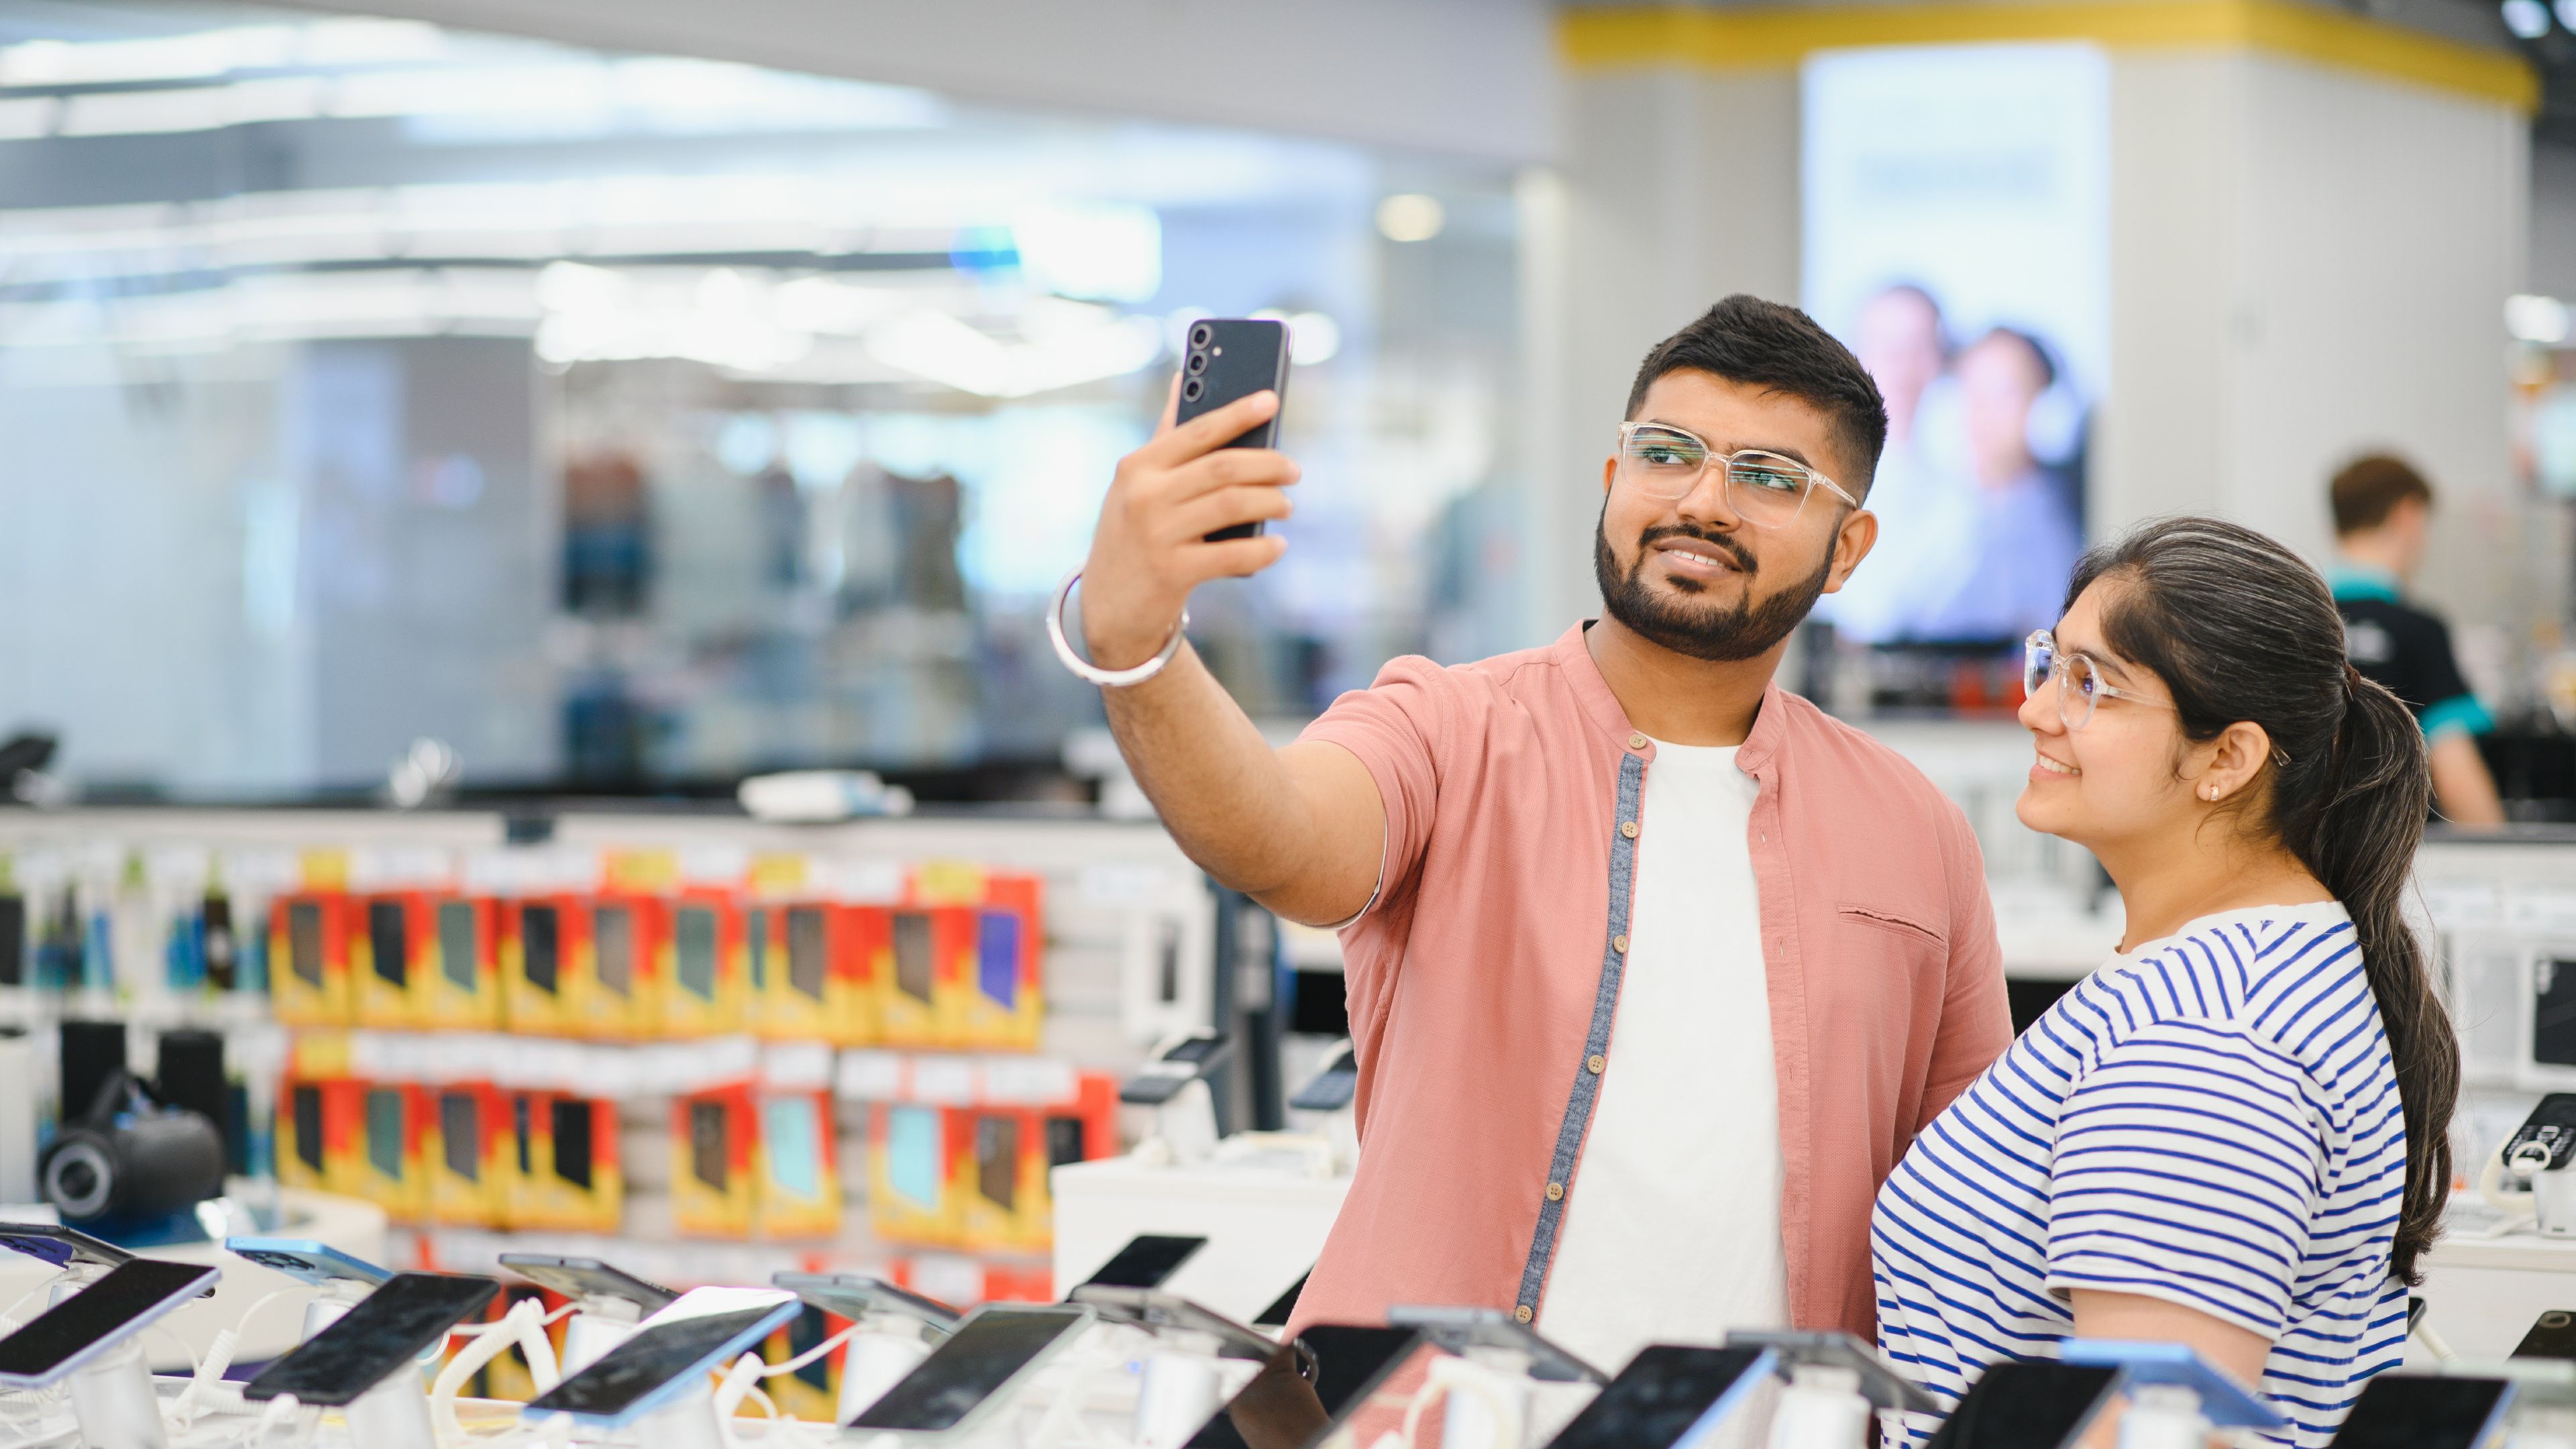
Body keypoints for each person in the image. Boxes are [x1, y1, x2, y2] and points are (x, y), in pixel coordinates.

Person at [1066, 294, 2010, 1368]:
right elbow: (1278, 841)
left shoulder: (1915, 832)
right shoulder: (1445, 725)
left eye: (1768, 478)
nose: (1704, 501)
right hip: (1432, 1421)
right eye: (1668, 454)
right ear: (1614, 483)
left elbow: (1965, 1212)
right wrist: (1135, 637)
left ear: (1848, 550)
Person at [1872, 519, 2458, 1449]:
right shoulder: (2226, 970)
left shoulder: (2205, 1040)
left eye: (2091, 684)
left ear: (2227, 759)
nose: (2036, 710)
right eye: (2051, 664)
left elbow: (2155, 1432)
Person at [2327, 454, 2506, 828]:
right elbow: (2455, 770)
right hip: (2389, 859)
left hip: (2302, 856)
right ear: (2408, 515)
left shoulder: (2297, 619)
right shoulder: (2420, 630)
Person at [1913, 328, 2083, 643]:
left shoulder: (2064, 525)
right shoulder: (1930, 511)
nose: (1981, 412)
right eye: (1970, 391)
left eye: (2004, 393)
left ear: (2044, 407)